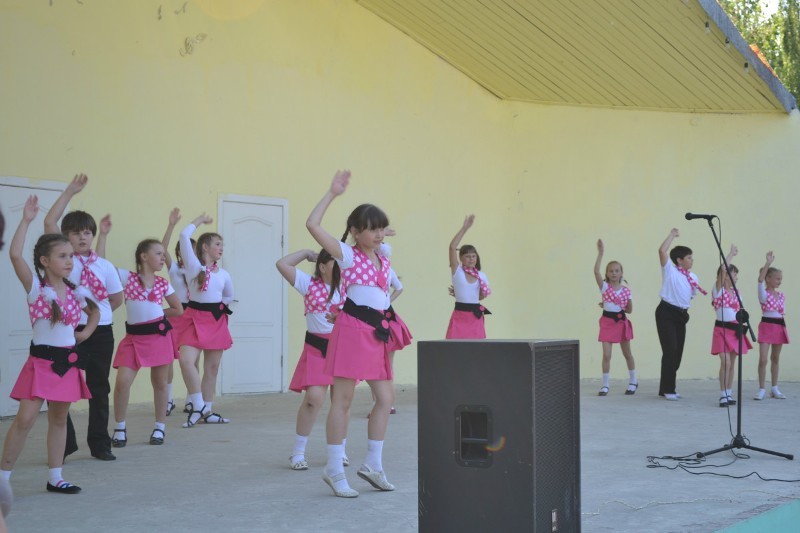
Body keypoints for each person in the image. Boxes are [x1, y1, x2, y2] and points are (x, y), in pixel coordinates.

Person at [306, 169, 396, 498]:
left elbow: (383, 250)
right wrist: (332, 193)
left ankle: (373, 464)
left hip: (377, 332)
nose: (379, 234)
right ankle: (333, 469)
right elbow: (313, 225)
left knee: (385, 398)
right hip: (352, 330)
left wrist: (382, 233)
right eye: (372, 229)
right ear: (356, 232)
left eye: (381, 228)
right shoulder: (347, 254)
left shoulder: (383, 257)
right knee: (342, 401)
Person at [2, 195, 99, 493]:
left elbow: (95, 312)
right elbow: (15, 256)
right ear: (45, 261)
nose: (70, 261)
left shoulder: (75, 292)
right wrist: (26, 220)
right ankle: (3, 477)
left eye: (71, 256)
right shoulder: (36, 289)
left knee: (59, 419)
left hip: (66, 363)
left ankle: (55, 477)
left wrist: (85, 333)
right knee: (25, 419)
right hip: (40, 364)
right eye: (62, 256)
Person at [44, 174, 123, 461]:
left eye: (87, 232)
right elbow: (49, 223)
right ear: (65, 237)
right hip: (66, 333)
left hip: (100, 333)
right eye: (76, 232)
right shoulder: (64, 261)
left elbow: (116, 298)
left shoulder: (104, 265)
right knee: (60, 387)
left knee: (99, 388)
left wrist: (96, 318)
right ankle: (65, 444)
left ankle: (100, 444)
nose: (82, 237)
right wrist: (69, 192)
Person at [276, 248, 350, 471]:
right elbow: (282, 264)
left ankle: (339, 451)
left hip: (343, 349)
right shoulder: (308, 284)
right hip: (317, 348)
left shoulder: (348, 287)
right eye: (335, 263)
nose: (340, 268)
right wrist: (306, 253)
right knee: (313, 399)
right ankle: (298, 452)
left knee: (342, 402)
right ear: (322, 267)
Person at [110, 239, 184, 447]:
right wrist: (104, 236)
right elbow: (103, 266)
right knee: (122, 382)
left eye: (163, 254)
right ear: (144, 257)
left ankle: (159, 427)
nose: (163, 257)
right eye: (158, 253)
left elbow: (178, 309)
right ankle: (120, 428)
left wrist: (157, 313)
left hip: (158, 337)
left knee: (160, 383)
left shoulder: (163, 283)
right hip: (133, 338)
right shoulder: (127, 277)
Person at [177, 214, 234, 427]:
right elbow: (184, 236)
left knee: (212, 368)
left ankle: (206, 411)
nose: (221, 248)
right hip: (193, 317)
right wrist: (199, 220)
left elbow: (229, 295)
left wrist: (217, 310)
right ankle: (198, 405)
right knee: (186, 360)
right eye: (217, 244)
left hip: (215, 319)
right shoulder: (193, 266)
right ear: (205, 247)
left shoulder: (224, 274)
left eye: (222, 245)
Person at [656, 228, 705, 401]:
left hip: (681, 315)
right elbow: (662, 251)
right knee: (670, 350)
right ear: (679, 260)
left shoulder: (693, 277)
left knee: (677, 353)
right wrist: (672, 235)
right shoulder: (670, 270)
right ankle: (669, 389)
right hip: (666, 313)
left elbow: (690, 296)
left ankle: (665, 388)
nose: (692, 260)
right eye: (689, 257)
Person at [160, 208, 196, 415]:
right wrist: (171, 225)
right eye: (185, 250)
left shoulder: (200, 271)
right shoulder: (174, 269)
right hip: (176, 316)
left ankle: (192, 399)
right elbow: (162, 250)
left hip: (193, 316)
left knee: (192, 359)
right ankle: (168, 399)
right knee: (168, 359)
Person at [593, 239, 637, 396]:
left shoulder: (626, 291)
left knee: (627, 353)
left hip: (621, 322)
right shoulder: (604, 287)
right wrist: (601, 253)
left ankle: (633, 381)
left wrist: (619, 306)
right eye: (611, 271)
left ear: (621, 273)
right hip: (607, 322)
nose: (613, 273)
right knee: (606, 355)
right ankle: (605, 385)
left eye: (617, 270)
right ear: (607, 273)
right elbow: (596, 272)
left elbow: (629, 309)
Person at [710, 246, 751, 407]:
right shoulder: (718, 290)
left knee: (732, 363)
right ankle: (722, 394)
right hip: (721, 330)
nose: (736, 277)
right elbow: (722, 269)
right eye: (734, 274)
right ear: (726, 276)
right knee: (725, 361)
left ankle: (728, 392)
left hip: (735, 330)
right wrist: (731, 255)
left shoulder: (737, 292)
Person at [446, 215, 491, 339]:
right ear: (460, 258)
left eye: (473, 256)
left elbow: (480, 297)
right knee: (454, 347)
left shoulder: (481, 276)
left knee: (476, 348)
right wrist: (465, 227)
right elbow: (452, 247)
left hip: (475, 315)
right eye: (467, 256)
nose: (471, 259)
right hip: (460, 315)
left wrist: (461, 293)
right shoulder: (457, 271)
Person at [755, 252, 789, 400]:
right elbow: (759, 280)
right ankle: (762, 388)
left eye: (780, 279)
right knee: (763, 359)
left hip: (779, 326)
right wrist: (768, 263)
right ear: (768, 279)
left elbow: (782, 312)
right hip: (766, 326)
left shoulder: (781, 296)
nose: (779, 281)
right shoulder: (763, 294)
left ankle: (774, 388)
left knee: (775, 358)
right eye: (777, 278)